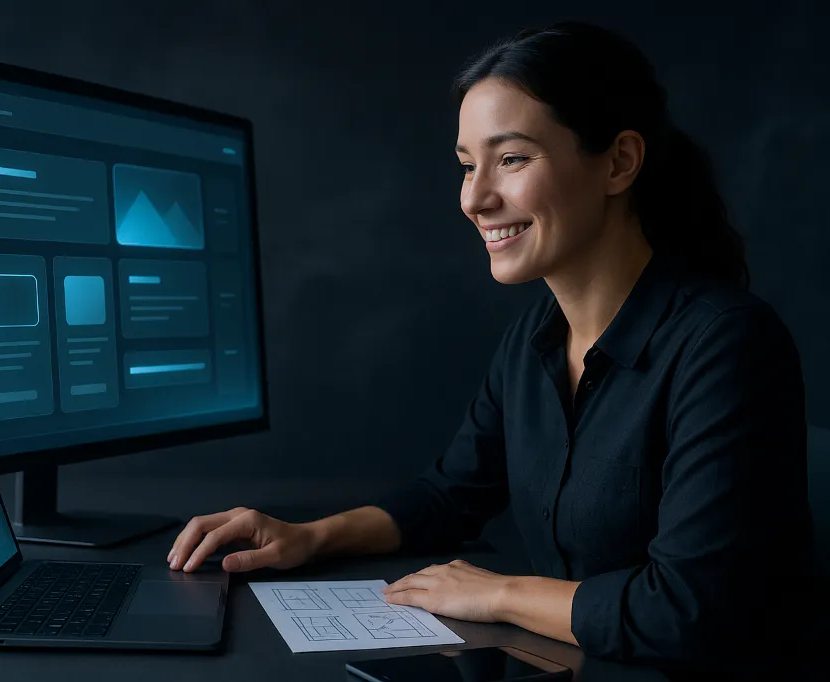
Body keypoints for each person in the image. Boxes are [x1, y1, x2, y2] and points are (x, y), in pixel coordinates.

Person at [167, 21, 817, 676]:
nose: (475, 198)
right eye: (467, 165)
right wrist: (307, 537)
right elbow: (449, 497)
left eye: (511, 159)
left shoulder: (726, 344)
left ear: (619, 161)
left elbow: (686, 609)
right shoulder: (533, 341)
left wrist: (500, 592)